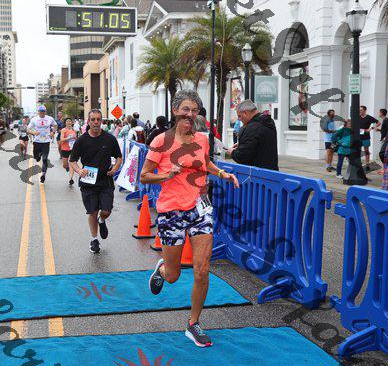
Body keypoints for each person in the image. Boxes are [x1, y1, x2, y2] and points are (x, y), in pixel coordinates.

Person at [140, 90, 239, 348]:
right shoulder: (161, 141)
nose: (190, 114)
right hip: (171, 211)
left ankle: (193, 323)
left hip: (200, 208)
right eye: (185, 109)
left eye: (194, 110)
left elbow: (206, 164)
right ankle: (162, 270)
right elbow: (144, 175)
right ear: (175, 111)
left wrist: (223, 174)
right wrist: (167, 175)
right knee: (174, 275)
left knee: (202, 269)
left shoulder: (202, 139)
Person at [69, 109, 123, 253]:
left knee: (106, 211)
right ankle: (94, 240)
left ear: (101, 121)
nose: (96, 122)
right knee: (92, 211)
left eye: (98, 119)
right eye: (93, 119)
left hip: (105, 180)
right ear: (89, 121)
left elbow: (119, 157)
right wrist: (79, 171)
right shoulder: (81, 140)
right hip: (88, 181)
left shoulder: (109, 139)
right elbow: (72, 161)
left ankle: (102, 220)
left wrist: (115, 169)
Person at [226, 100, 279, 171]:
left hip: (256, 173)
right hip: (271, 170)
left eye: (239, 116)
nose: (239, 119)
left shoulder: (250, 128)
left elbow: (241, 156)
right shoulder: (268, 122)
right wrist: (243, 143)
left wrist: (232, 152)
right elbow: (261, 142)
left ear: (245, 113)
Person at [27, 105, 57, 183]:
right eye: (41, 111)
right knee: (36, 157)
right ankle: (38, 156)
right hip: (37, 141)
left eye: (43, 111)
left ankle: (43, 174)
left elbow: (55, 125)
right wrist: (33, 132)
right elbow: (28, 129)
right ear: (38, 112)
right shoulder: (34, 119)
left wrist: (53, 132)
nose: (42, 113)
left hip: (46, 141)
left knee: (45, 159)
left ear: (45, 111)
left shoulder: (50, 119)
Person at [358, 106, 379, 172]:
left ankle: (367, 164)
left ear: (365, 110)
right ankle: (358, 164)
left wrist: (371, 128)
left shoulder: (369, 117)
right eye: (359, 110)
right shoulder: (357, 117)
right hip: (358, 136)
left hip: (366, 136)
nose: (360, 111)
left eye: (361, 110)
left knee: (366, 150)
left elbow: (379, 123)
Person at [374, 108, 388, 175]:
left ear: (381, 113)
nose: (378, 114)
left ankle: (386, 169)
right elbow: (385, 130)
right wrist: (379, 130)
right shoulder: (384, 120)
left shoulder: (386, 120)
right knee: (384, 154)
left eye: (379, 112)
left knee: (383, 154)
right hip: (384, 139)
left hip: (386, 140)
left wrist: (386, 137)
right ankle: (385, 169)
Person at [59, 118, 77, 186]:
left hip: (73, 149)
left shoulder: (74, 130)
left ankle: (70, 179)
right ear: (65, 123)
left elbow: (76, 139)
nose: (69, 122)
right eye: (67, 121)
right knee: (65, 165)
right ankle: (66, 167)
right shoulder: (63, 130)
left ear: (72, 122)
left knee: (72, 164)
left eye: (70, 121)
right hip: (65, 149)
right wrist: (68, 138)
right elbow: (61, 139)